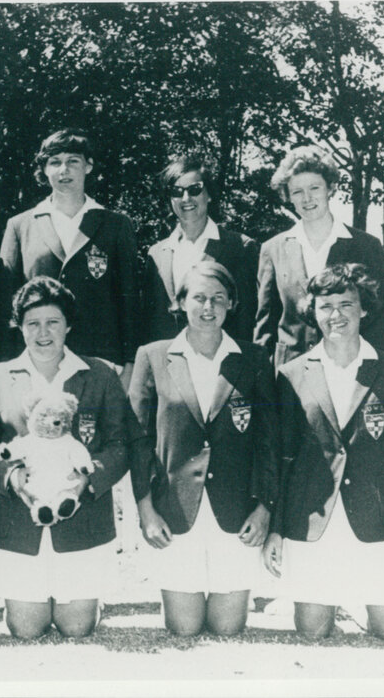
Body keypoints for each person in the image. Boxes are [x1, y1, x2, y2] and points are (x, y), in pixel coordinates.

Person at [262, 264, 384, 641]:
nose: (336, 315)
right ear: (313, 313)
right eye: (326, 306)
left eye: (346, 304)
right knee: (313, 633)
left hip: (376, 521)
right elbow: (283, 459)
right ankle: (327, 600)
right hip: (313, 520)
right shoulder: (291, 373)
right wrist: (277, 530)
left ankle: (362, 601)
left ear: (363, 309)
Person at [0, 276, 130, 639]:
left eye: (53, 323)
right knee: (26, 629)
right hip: (18, 522)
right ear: (20, 327)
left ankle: (88, 603)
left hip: (82, 519)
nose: (43, 333)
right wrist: (10, 477)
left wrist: (89, 479)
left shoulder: (100, 374)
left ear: (68, 326)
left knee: (77, 628)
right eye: (33, 324)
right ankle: (20, 603)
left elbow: (121, 444)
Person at [129, 262, 278, 636]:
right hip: (174, 511)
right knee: (184, 628)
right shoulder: (152, 356)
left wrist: (264, 508)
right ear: (179, 302)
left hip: (236, 511)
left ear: (232, 304)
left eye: (217, 299)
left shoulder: (255, 358)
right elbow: (137, 442)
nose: (208, 307)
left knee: (228, 628)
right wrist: (146, 509)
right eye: (198, 298)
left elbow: (269, 442)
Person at [0, 129, 138, 386]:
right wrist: (6, 365)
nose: (64, 170)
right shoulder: (20, 226)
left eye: (73, 161)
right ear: (44, 169)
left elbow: (129, 301)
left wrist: (129, 364)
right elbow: (7, 305)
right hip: (37, 363)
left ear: (88, 166)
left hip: (101, 362)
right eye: (55, 162)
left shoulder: (116, 224)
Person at [254, 146, 384, 369]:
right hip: (290, 375)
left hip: (349, 368)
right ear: (288, 196)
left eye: (314, 188)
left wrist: (376, 377)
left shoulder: (366, 246)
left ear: (330, 188)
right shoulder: (273, 248)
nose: (307, 198)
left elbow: (377, 320)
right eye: (297, 191)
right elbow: (265, 325)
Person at [142, 155, 259, 345]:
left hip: (221, 361)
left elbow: (247, 317)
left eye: (194, 189)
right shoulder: (156, 254)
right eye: (177, 191)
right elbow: (150, 321)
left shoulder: (239, 246)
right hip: (169, 363)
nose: (186, 198)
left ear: (209, 194)